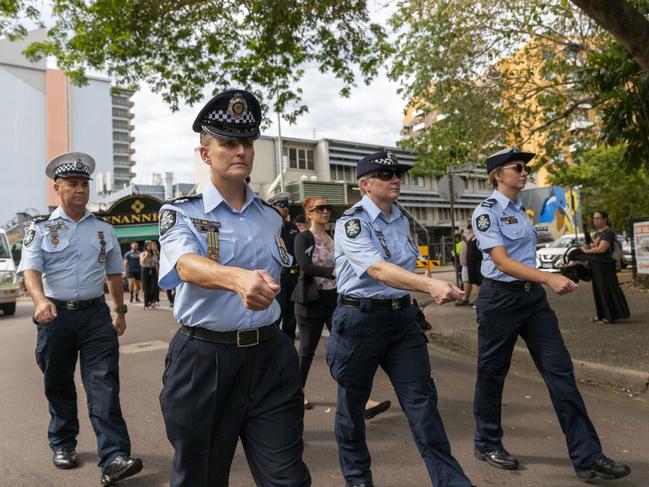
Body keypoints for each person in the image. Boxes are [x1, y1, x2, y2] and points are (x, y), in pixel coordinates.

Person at [157, 89, 311, 487]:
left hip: (270, 357)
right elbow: (185, 264)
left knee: (288, 478)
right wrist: (236, 278)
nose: (240, 150)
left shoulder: (269, 218)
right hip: (206, 359)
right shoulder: (181, 211)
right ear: (206, 154)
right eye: (228, 143)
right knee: (201, 478)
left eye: (246, 142)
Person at [471, 147, 630, 481]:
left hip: (532, 301)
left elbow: (525, 257)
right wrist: (549, 279)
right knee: (492, 373)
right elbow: (501, 261)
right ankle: (487, 442)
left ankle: (588, 457)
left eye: (526, 167)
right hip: (499, 299)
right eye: (517, 167)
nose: (524, 171)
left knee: (561, 372)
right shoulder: (486, 212)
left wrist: (557, 271)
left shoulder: (521, 210)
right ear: (498, 175)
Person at [327, 151, 474, 487]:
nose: (394, 179)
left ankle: (451, 481)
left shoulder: (400, 218)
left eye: (397, 174)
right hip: (359, 321)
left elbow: (402, 266)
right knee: (351, 408)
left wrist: (419, 293)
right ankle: (358, 479)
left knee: (423, 404)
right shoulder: (352, 222)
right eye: (385, 174)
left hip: (401, 320)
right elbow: (378, 269)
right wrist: (430, 285)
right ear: (364, 185)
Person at [17, 152, 142, 485]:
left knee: (103, 384)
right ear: (57, 188)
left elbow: (114, 273)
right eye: (72, 184)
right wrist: (40, 301)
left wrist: (120, 310)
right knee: (58, 383)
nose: (80, 190)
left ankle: (114, 456)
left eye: (84, 184)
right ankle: (63, 443)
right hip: (55, 316)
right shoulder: (40, 229)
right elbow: (30, 270)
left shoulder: (103, 229)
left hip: (95, 316)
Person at [292, 196, 391, 419]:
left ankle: (361, 400)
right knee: (307, 349)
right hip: (311, 300)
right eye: (320, 208)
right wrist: (332, 272)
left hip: (335, 298)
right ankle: (296, 393)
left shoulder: (335, 236)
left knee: (346, 347)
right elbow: (305, 266)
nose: (325, 211)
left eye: (328, 207)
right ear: (309, 213)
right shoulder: (304, 237)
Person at [580, 211, 630, 324]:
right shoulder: (597, 234)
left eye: (598, 218)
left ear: (605, 219)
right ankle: (601, 314)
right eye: (594, 218)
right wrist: (588, 246)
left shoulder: (608, 232)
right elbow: (595, 246)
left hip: (605, 265)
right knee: (598, 290)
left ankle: (610, 316)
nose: (596, 220)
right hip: (595, 265)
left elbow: (602, 249)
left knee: (606, 289)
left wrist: (586, 251)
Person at [268, 192, 300, 342]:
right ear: (272, 207)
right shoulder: (267, 227)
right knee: (277, 311)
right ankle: (272, 345)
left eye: (287, 205)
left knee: (292, 315)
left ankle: (289, 344)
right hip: (277, 277)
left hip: (293, 276)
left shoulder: (293, 227)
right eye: (281, 205)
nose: (285, 208)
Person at [139, 240, 159, 309]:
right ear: (146, 246)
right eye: (148, 245)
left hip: (153, 269)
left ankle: (151, 300)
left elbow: (156, 263)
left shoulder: (154, 253)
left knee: (154, 286)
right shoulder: (143, 253)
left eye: (151, 245)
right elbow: (141, 262)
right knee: (146, 288)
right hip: (145, 270)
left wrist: (158, 272)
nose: (150, 246)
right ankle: (146, 304)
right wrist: (146, 255)